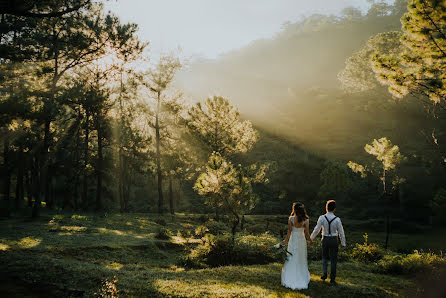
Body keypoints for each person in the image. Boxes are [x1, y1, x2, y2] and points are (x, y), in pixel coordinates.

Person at [310, 200, 346, 284]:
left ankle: (324, 274)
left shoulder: (322, 218)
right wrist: (343, 243)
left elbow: (316, 229)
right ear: (334, 209)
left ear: (326, 208)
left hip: (325, 239)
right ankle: (332, 278)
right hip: (334, 239)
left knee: (324, 257)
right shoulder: (337, 219)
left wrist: (311, 238)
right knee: (334, 259)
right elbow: (341, 232)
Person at [281, 202, 312, 290]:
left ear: (294, 209)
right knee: (301, 258)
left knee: (292, 256)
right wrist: (310, 240)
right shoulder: (306, 219)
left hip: (293, 240)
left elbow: (289, 231)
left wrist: (286, 241)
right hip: (301, 240)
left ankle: (290, 275)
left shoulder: (291, 219)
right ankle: (301, 275)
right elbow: (307, 233)